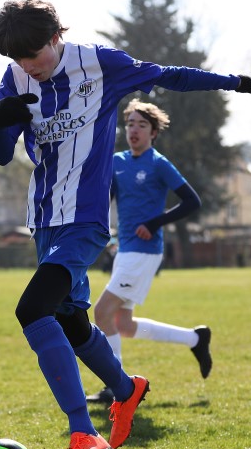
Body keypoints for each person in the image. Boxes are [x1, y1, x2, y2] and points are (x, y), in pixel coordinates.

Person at [0, 0, 251, 449]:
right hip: (43, 221)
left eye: (34, 53)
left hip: (85, 221)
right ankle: (126, 389)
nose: (27, 66)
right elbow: (1, 154)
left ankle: (83, 433)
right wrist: (0, 122)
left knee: (33, 310)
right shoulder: (17, 78)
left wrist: (243, 83)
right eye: (17, 59)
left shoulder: (101, 64)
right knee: (71, 321)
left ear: (57, 34)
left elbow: (172, 75)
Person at [88, 99, 211, 405]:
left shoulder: (159, 163)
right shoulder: (117, 162)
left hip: (145, 252)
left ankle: (117, 386)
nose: (134, 130)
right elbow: (107, 201)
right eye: (130, 124)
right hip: (125, 250)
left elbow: (192, 201)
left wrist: (156, 222)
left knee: (102, 312)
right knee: (122, 325)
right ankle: (196, 339)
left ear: (153, 132)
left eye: (142, 125)